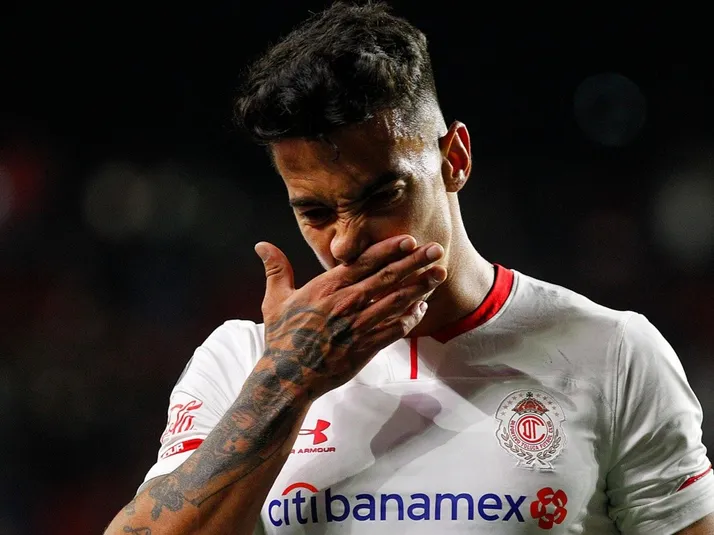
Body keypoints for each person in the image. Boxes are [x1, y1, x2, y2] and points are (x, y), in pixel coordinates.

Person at [105, 2, 714, 534]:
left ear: (454, 160)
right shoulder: (240, 362)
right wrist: (287, 381)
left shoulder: (615, 353)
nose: (345, 242)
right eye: (315, 212)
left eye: (380, 197)